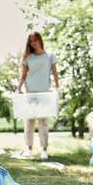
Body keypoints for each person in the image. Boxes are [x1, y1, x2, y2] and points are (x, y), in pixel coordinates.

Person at [16, 31, 60, 160]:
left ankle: (44, 150)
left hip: (44, 92)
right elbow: (23, 76)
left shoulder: (50, 56)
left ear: (40, 40)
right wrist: (18, 90)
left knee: (43, 121)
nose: (33, 43)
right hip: (29, 91)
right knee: (29, 121)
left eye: (35, 40)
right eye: (31, 41)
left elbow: (55, 73)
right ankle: (29, 149)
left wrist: (58, 87)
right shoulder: (28, 58)